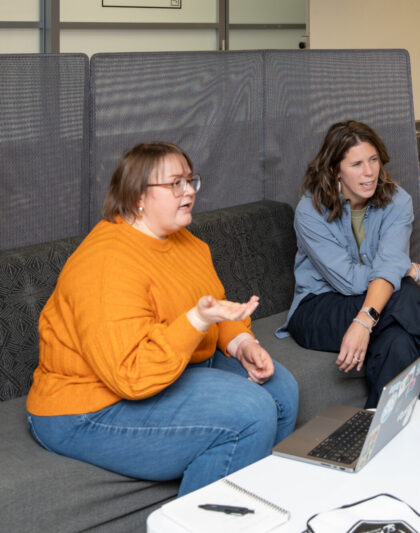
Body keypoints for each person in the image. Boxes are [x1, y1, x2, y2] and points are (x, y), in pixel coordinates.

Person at [26, 142, 298, 496]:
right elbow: (131, 375)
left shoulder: (185, 242)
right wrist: (196, 320)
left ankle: (252, 506)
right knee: (251, 411)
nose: (188, 192)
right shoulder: (107, 265)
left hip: (165, 367)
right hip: (88, 406)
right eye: (175, 184)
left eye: (190, 181)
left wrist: (242, 342)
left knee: (282, 391)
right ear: (138, 195)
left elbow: (213, 304)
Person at [277, 120, 420, 407]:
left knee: (397, 343)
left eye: (373, 159)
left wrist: (365, 319)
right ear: (334, 169)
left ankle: (372, 428)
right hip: (319, 308)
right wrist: (410, 270)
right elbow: (348, 280)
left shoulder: (397, 201)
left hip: (376, 302)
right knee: (408, 296)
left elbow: (387, 266)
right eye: (357, 164)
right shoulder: (310, 211)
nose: (369, 171)